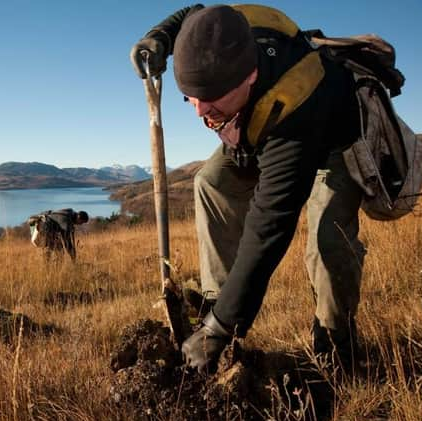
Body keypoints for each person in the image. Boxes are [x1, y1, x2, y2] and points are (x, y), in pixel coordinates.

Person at [131, 4, 366, 373]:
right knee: (211, 182)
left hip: (336, 140)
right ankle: (217, 302)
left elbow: (268, 227)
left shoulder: (296, 110)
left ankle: (336, 351)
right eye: (191, 96)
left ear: (250, 76)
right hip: (257, 126)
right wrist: (159, 36)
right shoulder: (225, 30)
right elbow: (193, 15)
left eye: (211, 100)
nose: (198, 111)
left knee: (327, 243)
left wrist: (219, 329)